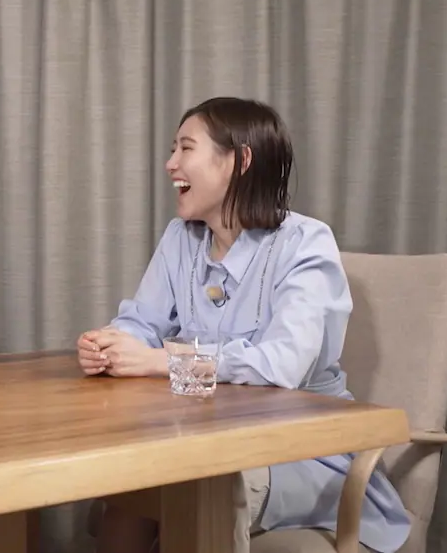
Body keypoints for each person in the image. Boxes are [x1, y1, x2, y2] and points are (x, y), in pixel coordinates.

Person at [77, 97, 409, 553]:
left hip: (302, 450)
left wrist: (159, 360)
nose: (170, 163)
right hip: (206, 437)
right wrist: (111, 345)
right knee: (127, 494)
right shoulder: (180, 238)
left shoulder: (305, 243)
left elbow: (283, 365)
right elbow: (141, 322)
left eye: (186, 148)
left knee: (197, 490)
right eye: (173, 149)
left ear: (240, 160)